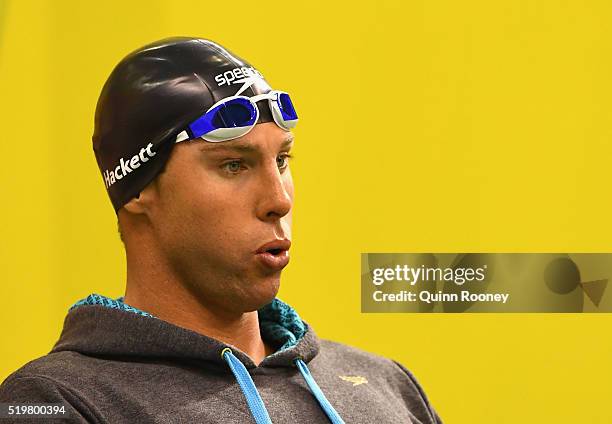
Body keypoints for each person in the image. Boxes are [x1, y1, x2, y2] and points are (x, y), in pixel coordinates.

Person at [0, 37, 442, 423]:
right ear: (137, 189)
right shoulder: (56, 402)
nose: (279, 200)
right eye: (234, 165)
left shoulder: (387, 386)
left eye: (282, 161)